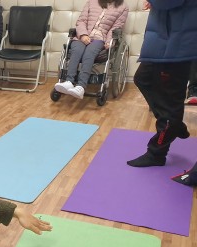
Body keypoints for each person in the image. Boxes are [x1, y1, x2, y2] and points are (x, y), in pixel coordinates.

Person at [127, 0, 197, 167]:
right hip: (164, 40)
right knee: (142, 79)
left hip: (176, 46)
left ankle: (156, 153)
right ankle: (175, 125)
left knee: (169, 105)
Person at [54, 0, 128, 99]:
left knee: (89, 53)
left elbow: (116, 27)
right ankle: (69, 81)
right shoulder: (92, 2)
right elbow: (81, 20)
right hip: (82, 36)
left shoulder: (123, 7)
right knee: (76, 50)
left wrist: (109, 41)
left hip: (99, 39)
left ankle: (81, 86)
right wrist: (83, 35)